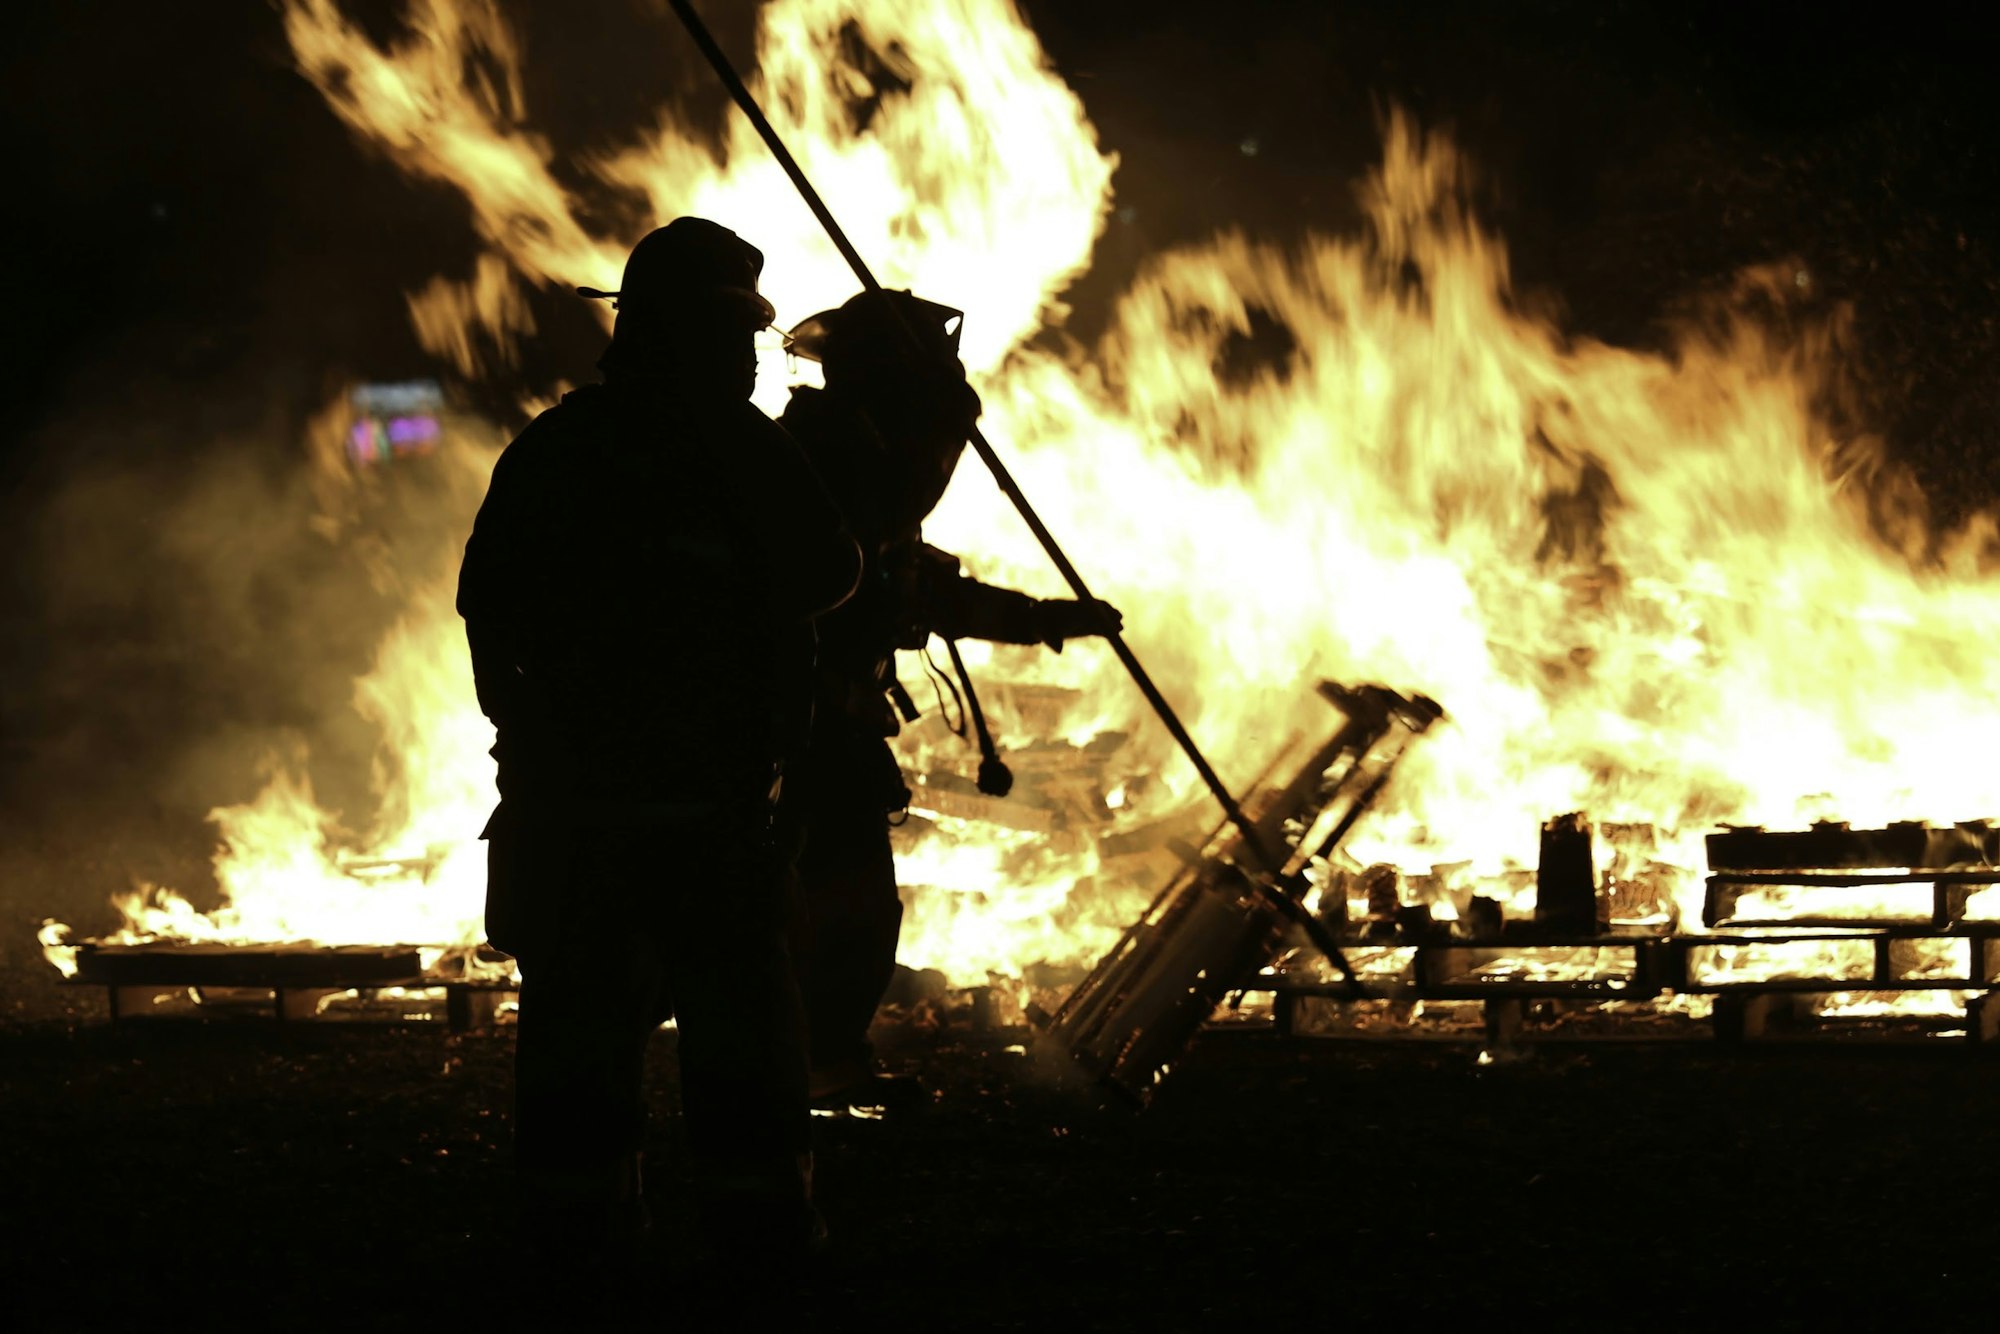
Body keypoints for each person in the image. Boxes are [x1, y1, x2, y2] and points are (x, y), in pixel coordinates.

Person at [455, 217, 861, 1272]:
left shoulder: (555, 446)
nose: (749, 362)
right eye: (739, 337)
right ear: (704, 336)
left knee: (576, 1042)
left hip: (571, 813)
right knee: (741, 1043)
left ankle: (573, 1247)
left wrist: (526, 744)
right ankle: (760, 1249)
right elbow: (829, 571)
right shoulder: (736, 443)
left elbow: (487, 607)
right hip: (707, 818)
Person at [776, 289, 1121, 1108]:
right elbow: (880, 526)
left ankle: (814, 1063)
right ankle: (811, 1069)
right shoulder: (826, 457)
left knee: (849, 906)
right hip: (798, 726)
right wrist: (947, 422)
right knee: (839, 907)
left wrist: (1041, 621)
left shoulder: (860, 451)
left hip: (828, 724)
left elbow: (920, 592)